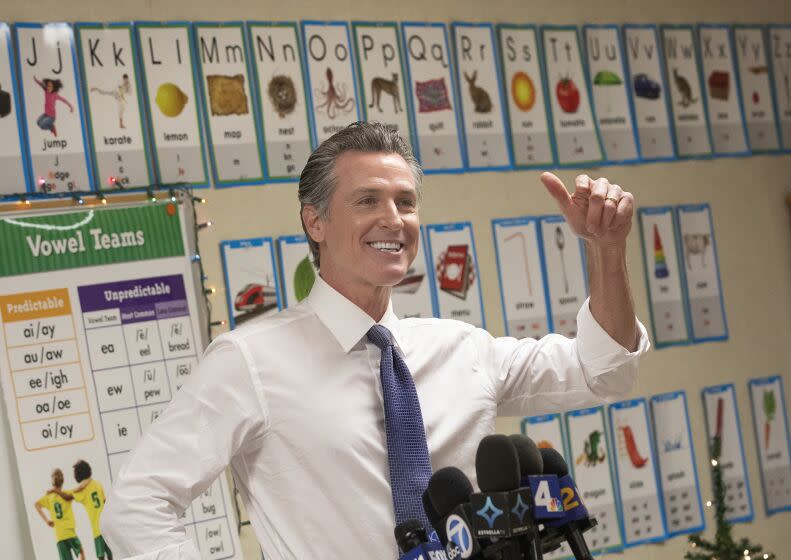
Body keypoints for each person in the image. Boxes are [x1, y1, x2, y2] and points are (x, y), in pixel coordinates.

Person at [102, 121, 649, 558]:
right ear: (314, 222)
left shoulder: (461, 348)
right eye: (367, 201)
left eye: (405, 202)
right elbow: (136, 503)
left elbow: (603, 369)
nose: (393, 219)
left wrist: (606, 249)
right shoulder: (249, 361)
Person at [34, 468, 85, 560]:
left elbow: (36, 505)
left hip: (59, 536)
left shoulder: (48, 497)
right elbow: (80, 488)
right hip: (69, 531)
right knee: (81, 552)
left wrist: (47, 520)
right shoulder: (67, 493)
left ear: (52, 482)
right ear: (62, 481)